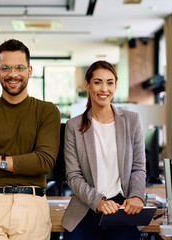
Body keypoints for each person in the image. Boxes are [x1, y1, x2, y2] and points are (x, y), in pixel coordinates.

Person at [0, 39, 61, 240]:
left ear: (30, 70)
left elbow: (44, 162)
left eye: (20, 67)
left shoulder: (47, 111)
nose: (13, 74)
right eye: (6, 68)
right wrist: (25, 163)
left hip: (32, 204)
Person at [61, 60, 146, 240]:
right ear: (87, 85)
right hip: (87, 206)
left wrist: (137, 196)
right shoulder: (73, 126)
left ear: (115, 86)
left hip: (121, 207)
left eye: (110, 82)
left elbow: (138, 167)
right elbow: (73, 176)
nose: (104, 89)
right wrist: (98, 202)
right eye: (98, 82)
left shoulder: (132, 121)